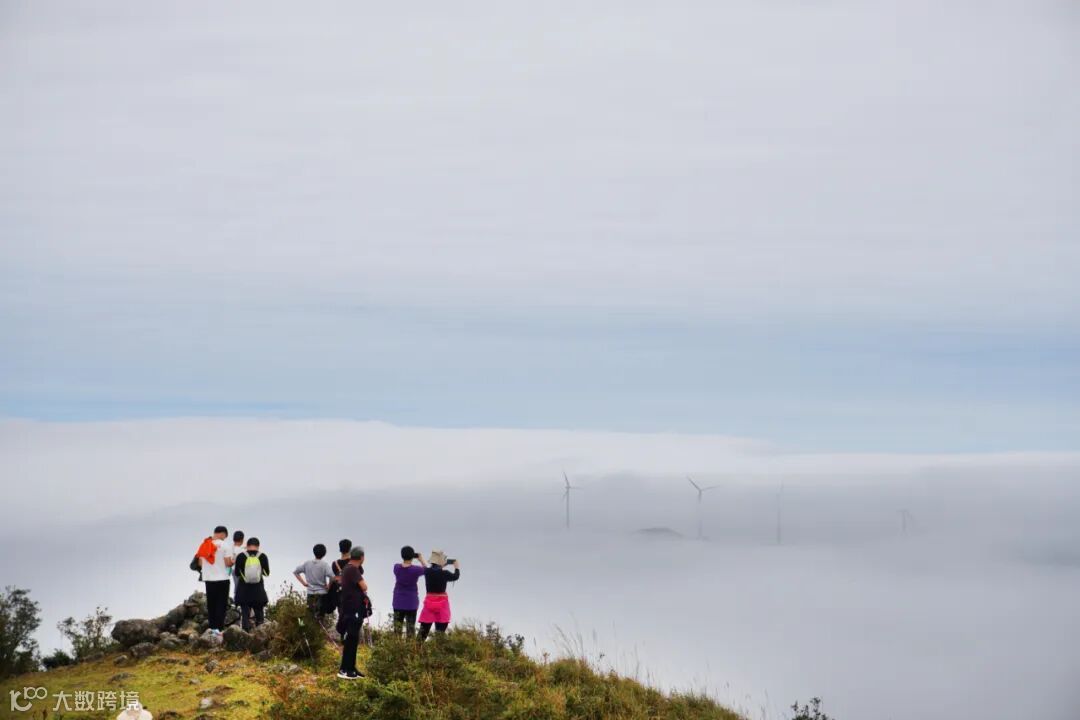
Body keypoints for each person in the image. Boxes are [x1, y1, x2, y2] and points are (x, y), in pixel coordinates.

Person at [336, 546, 368, 680]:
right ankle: (345, 669)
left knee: (353, 639)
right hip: (352, 608)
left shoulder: (347, 568)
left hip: (350, 608)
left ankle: (351, 667)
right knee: (351, 639)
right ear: (361, 557)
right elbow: (364, 586)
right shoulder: (353, 569)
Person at [195, 525, 235, 633]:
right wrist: (233, 561)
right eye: (225, 536)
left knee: (211, 604)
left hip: (209, 579)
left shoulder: (205, 545)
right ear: (222, 534)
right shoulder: (225, 545)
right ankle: (219, 629)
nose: (224, 538)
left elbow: (200, 563)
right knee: (221, 604)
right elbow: (227, 563)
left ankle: (212, 629)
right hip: (222, 579)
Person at [418, 550, 460, 640]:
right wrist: (456, 567)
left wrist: (421, 559)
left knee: (422, 633)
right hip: (442, 605)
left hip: (429, 604)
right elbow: (456, 576)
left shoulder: (427, 572)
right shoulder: (445, 573)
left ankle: (416, 647)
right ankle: (437, 648)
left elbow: (425, 567)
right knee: (440, 635)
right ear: (441, 562)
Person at [234, 537, 270, 631]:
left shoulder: (241, 556)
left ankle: (245, 632)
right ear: (258, 546)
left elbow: (237, 573)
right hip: (258, 590)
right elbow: (267, 573)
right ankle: (260, 632)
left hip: (244, 589)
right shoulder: (262, 556)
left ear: (247, 546)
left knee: (245, 614)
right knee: (259, 613)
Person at [392, 545, 426, 638]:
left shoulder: (396, 567)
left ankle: (395, 646)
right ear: (412, 556)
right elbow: (426, 570)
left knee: (397, 628)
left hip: (398, 601)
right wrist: (421, 559)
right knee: (410, 628)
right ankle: (410, 646)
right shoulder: (416, 569)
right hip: (411, 602)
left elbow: (401, 566)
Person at [293, 544, 334, 617]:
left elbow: (296, 572)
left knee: (311, 615)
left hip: (310, 593)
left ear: (314, 552)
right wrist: (329, 585)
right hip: (322, 593)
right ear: (324, 553)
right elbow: (332, 576)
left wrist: (303, 583)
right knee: (320, 616)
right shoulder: (324, 565)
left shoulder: (307, 563)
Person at [324, 538, 352, 617]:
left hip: (340, 594)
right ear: (350, 549)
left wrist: (327, 590)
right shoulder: (354, 562)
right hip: (352, 594)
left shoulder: (335, 563)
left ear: (340, 549)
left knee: (342, 615)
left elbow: (331, 580)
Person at [230, 530, 246, 604]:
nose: (236, 544)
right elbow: (230, 560)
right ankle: (237, 601)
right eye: (235, 542)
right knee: (237, 586)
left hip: (246, 570)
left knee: (246, 587)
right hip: (235, 570)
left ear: (242, 540)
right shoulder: (231, 547)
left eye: (238, 542)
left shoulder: (246, 546)